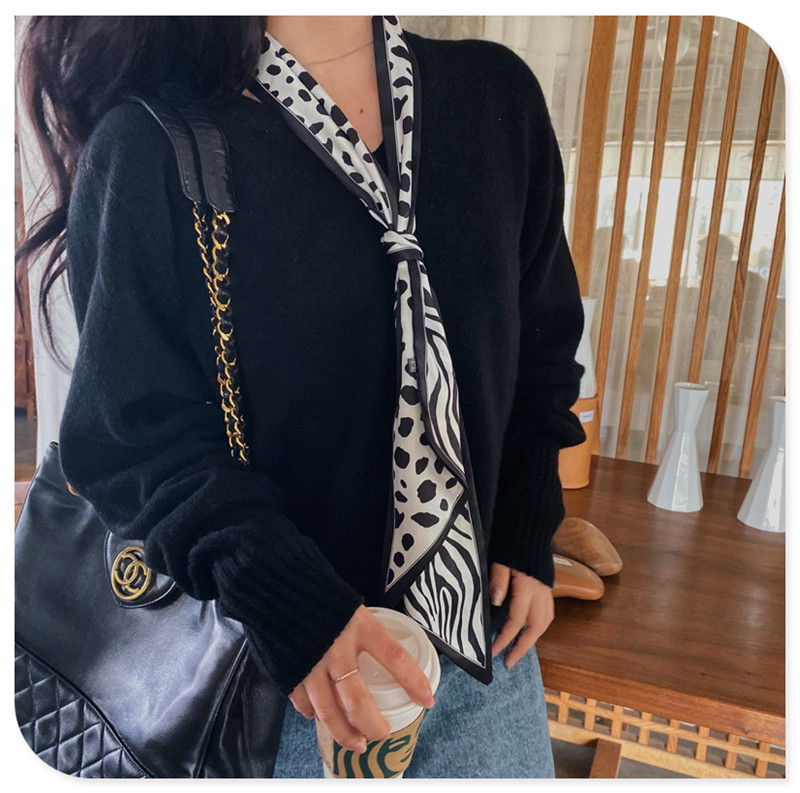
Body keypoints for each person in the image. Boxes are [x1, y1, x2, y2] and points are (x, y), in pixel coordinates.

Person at [16, 15, 585, 778]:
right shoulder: (151, 141)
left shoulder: (496, 98)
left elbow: (543, 338)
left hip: (479, 651)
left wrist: (526, 521)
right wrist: (292, 605)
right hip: (273, 678)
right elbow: (134, 435)